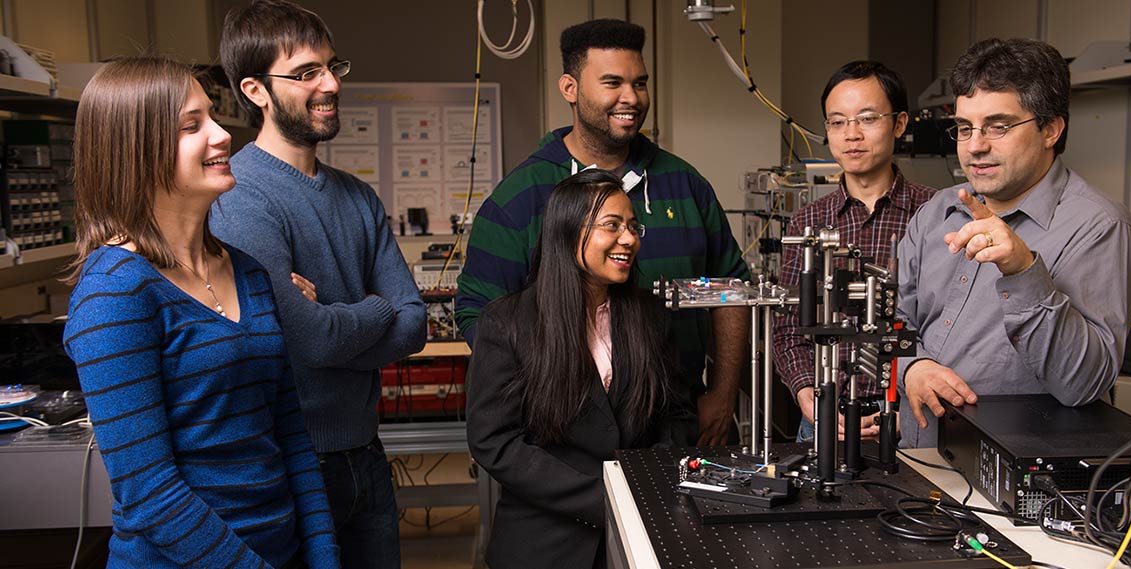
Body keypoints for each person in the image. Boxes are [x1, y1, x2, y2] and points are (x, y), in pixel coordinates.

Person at [61, 56, 338, 568]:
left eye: (212, 116)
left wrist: (323, 558)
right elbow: (150, 494)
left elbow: (291, 441)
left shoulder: (250, 274)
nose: (221, 135)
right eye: (192, 126)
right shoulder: (115, 292)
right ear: (135, 152)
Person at [456, 19, 748, 446]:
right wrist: (548, 403)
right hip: (562, 437)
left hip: (676, 425)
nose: (630, 98)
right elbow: (479, 317)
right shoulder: (520, 198)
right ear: (570, 88)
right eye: (612, 82)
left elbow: (732, 290)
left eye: (640, 83)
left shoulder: (684, 185)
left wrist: (722, 396)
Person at [211, 1, 427, 565]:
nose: (330, 83)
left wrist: (337, 316)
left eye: (332, 66)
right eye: (307, 73)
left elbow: (416, 324)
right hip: (295, 466)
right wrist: (377, 309)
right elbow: (309, 340)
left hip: (367, 459)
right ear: (256, 91)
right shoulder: (240, 199)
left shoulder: (357, 196)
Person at [896, 38, 1131, 448]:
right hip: (919, 457)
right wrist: (912, 368)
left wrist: (1023, 271)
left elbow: (1082, 383)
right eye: (964, 127)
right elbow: (894, 322)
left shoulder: (1101, 227)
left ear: (1051, 129)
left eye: (998, 126)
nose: (975, 145)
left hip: (1019, 485)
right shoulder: (935, 213)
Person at [466, 170, 696, 569]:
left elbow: (678, 413)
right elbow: (495, 440)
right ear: (568, 231)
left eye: (633, 226)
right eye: (612, 225)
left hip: (639, 530)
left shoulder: (651, 316)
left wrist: (643, 483)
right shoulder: (507, 322)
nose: (629, 239)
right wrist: (600, 499)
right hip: (542, 542)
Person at [772, 61, 936, 443]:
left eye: (867, 118)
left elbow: (950, 326)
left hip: (911, 421)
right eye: (838, 122)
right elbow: (787, 328)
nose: (852, 135)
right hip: (823, 420)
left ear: (899, 124)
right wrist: (808, 395)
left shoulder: (935, 215)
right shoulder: (808, 221)